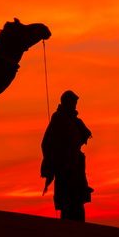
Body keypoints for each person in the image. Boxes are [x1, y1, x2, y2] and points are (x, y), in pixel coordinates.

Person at [40, 90, 93, 221]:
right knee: (67, 205)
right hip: (64, 168)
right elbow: (46, 143)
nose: (75, 105)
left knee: (78, 203)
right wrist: (52, 164)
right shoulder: (58, 118)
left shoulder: (75, 121)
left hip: (76, 167)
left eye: (75, 102)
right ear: (66, 102)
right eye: (73, 102)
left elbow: (83, 136)